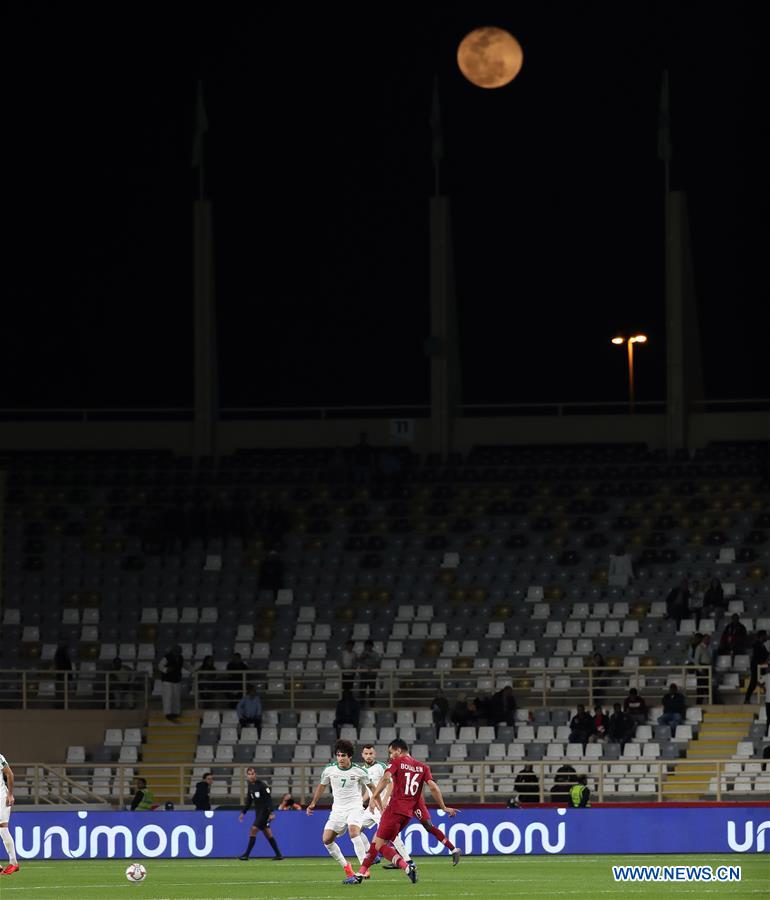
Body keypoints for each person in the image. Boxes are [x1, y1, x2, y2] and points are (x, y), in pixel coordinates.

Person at [343, 738, 458, 884]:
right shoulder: (423, 767)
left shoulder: (397, 762)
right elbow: (434, 787)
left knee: (378, 845)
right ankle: (360, 875)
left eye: (391, 752)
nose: (391, 756)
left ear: (398, 750)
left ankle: (406, 867)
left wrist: (376, 795)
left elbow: (386, 779)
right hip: (407, 814)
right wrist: (443, 807)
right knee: (377, 844)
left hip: (393, 810)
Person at [307, 739, 375, 879]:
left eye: (343, 755)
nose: (340, 758)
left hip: (354, 807)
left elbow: (373, 788)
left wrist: (378, 803)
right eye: (338, 755)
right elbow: (321, 786)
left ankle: (364, 868)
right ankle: (346, 866)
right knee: (326, 840)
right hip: (337, 810)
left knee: (353, 831)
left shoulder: (359, 771)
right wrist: (313, 802)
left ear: (349, 756)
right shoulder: (329, 770)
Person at [359, 744, 412, 869]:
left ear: (375, 754)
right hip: (372, 806)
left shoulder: (381, 766)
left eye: (371, 753)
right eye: (366, 754)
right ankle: (373, 855)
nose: (368, 756)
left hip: (383, 805)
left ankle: (408, 861)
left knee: (391, 835)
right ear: (362, 755)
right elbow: (369, 790)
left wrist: (384, 800)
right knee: (356, 829)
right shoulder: (362, 770)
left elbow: (391, 784)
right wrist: (362, 801)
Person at [238, 767, 284, 860]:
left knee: (253, 829)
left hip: (265, 812)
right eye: (249, 774)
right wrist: (243, 812)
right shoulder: (250, 786)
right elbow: (249, 801)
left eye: (253, 773)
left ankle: (246, 854)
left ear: (256, 774)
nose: (251, 776)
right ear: (247, 776)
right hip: (258, 812)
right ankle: (279, 855)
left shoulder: (262, 785)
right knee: (268, 833)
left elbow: (269, 800)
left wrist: (271, 812)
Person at [0, 752, 19, 876]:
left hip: (1, 797)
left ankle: (14, 863)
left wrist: (10, 794)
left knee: (2, 828)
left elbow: (9, 774)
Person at [158, 645, 187, 722]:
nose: (178, 653)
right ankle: (168, 713)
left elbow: (186, 665)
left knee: (176, 697)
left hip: (177, 680)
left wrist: (194, 670)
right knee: (168, 696)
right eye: (176, 651)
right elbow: (160, 666)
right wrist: (166, 669)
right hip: (167, 680)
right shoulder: (167, 657)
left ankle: (176, 712)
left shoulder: (180, 658)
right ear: (173, 651)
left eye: (179, 651)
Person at [744, 630, 769, 704]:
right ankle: (746, 699)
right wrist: (765, 660)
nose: (767, 637)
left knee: (764, 682)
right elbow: (759, 657)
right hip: (756, 667)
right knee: (753, 683)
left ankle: (766, 698)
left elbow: (766, 654)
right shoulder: (756, 645)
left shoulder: (762, 645)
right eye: (765, 635)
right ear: (762, 636)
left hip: (761, 668)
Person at [693, 633, 713, 703]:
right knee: (701, 688)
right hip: (702, 669)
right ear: (703, 639)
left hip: (708, 668)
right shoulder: (699, 648)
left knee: (707, 687)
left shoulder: (707, 648)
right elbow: (696, 661)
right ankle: (699, 703)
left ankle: (709, 702)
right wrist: (701, 670)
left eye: (709, 639)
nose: (708, 641)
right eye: (707, 639)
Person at [54, 642, 73, 707]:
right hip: (62, 677)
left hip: (64, 677)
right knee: (62, 693)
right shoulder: (61, 654)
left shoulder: (62, 654)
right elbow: (62, 666)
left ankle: (63, 705)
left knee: (64, 693)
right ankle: (61, 706)